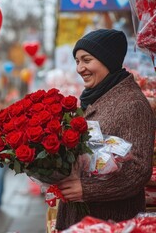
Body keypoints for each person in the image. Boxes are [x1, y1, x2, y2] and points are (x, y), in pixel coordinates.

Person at [56, 29, 156, 230]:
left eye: (86, 60)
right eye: (77, 61)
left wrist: (86, 189)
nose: (79, 68)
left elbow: (138, 170)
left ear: (107, 60)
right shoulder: (97, 96)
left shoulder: (131, 103)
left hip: (110, 221)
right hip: (82, 218)